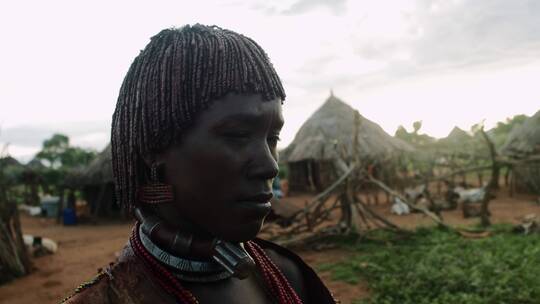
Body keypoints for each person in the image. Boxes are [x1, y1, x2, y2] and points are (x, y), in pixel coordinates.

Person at [61, 24, 337, 303]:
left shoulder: (289, 277)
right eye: (237, 135)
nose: (270, 167)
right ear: (154, 147)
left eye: (272, 138)